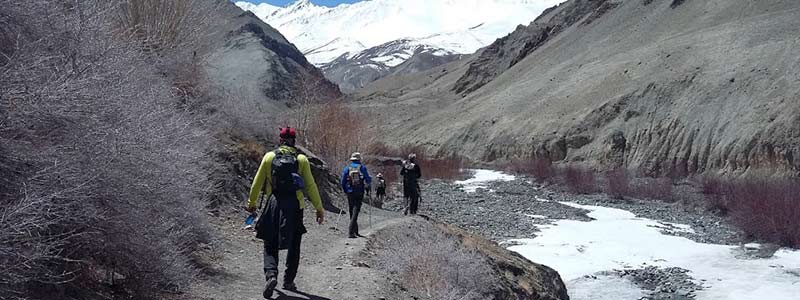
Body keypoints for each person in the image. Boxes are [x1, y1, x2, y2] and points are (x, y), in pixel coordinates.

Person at [246, 127, 325, 299]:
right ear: (294, 140)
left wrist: (251, 204)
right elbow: (310, 186)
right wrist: (319, 209)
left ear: (280, 140)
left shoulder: (269, 157)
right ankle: (288, 281)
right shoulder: (301, 159)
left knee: (270, 241)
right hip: (296, 205)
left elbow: (257, 182)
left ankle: (271, 274)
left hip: (274, 203)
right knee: (295, 243)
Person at [340, 152, 372, 238]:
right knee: (356, 211)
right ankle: (351, 232)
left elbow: (343, 181)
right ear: (359, 159)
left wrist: (345, 190)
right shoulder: (362, 168)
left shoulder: (347, 168)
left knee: (352, 210)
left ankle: (356, 231)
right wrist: (369, 180)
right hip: (359, 191)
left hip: (350, 191)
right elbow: (368, 180)